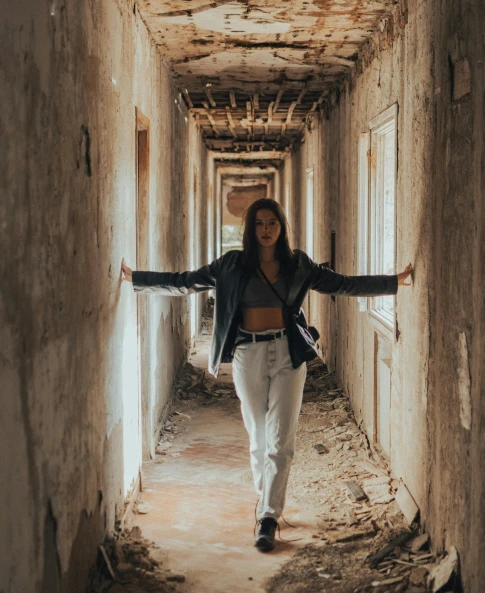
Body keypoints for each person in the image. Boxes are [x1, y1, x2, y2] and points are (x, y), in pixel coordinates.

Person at [121, 198, 412, 553]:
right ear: (250, 229)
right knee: (258, 435)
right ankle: (266, 500)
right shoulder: (231, 264)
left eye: (272, 222)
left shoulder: (298, 264)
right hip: (248, 355)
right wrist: (136, 278)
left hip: (288, 356)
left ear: (281, 226)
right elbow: (187, 282)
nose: (265, 229)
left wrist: (392, 283)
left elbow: (343, 285)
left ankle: (269, 517)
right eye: (259, 223)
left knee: (280, 440)